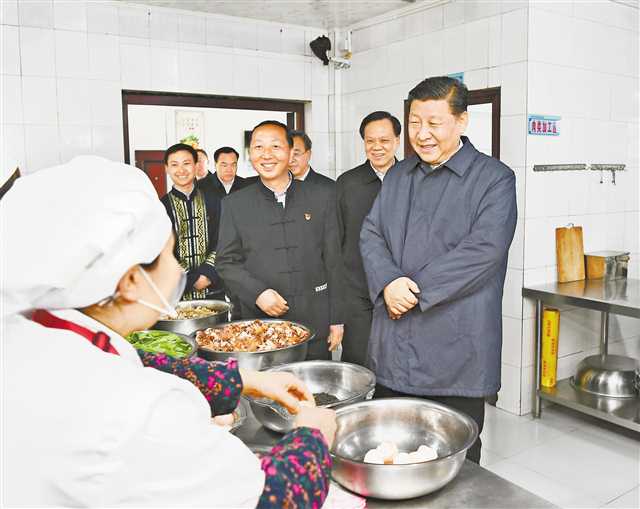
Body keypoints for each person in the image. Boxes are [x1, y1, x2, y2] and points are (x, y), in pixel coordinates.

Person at [2, 156, 337, 508]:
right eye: (170, 255)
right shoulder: (137, 415)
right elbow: (269, 498)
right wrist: (311, 436)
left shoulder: (32, 327)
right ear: (131, 280)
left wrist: (246, 380)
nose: (179, 268)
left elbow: (139, 362)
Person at [360, 77, 517, 463]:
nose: (422, 134)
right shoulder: (399, 175)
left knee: (453, 457)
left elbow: (483, 252)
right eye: (415, 123)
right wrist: (388, 282)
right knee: (389, 450)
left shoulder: (494, 179)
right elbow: (371, 232)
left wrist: (410, 291)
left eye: (434, 123)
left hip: (455, 348)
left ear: (462, 121)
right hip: (394, 344)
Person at [216, 120, 344, 360]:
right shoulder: (235, 204)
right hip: (261, 323)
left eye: (275, 146)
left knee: (313, 391)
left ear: (290, 151)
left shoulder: (322, 196)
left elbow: (334, 260)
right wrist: (257, 293)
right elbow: (226, 262)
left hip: (313, 318)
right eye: (258, 147)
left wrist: (337, 319)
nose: (266, 155)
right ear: (250, 153)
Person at [336, 111, 401, 366]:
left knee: (398, 360)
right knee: (358, 360)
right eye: (370, 141)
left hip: (402, 289)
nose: (377, 147)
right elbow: (336, 239)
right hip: (357, 292)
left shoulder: (414, 178)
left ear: (397, 140)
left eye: (384, 141)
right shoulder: (347, 183)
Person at [160, 143, 224, 301]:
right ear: (166, 169)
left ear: (196, 166)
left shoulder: (214, 200)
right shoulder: (160, 207)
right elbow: (161, 249)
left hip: (213, 288)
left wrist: (208, 273)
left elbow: (224, 239)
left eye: (186, 163)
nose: (181, 170)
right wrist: (191, 278)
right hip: (177, 292)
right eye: (174, 165)